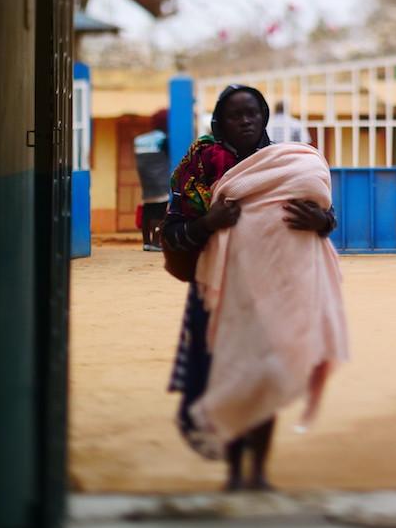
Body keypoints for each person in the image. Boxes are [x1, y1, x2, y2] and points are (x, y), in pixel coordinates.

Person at [160, 84, 347, 491]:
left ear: (264, 117)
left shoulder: (285, 162)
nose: (246, 121)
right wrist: (208, 223)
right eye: (235, 115)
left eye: (253, 113)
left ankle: (258, 471)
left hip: (274, 292)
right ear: (218, 122)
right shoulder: (201, 167)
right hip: (221, 292)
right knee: (227, 378)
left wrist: (322, 222)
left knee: (266, 377)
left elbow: (324, 215)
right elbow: (170, 231)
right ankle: (232, 472)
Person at [134, 109, 170, 250]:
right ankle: (156, 242)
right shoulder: (164, 138)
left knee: (148, 210)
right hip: (160, 179)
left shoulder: (140, 139)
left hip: (146, 180)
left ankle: (146, 242)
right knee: (160, 212)